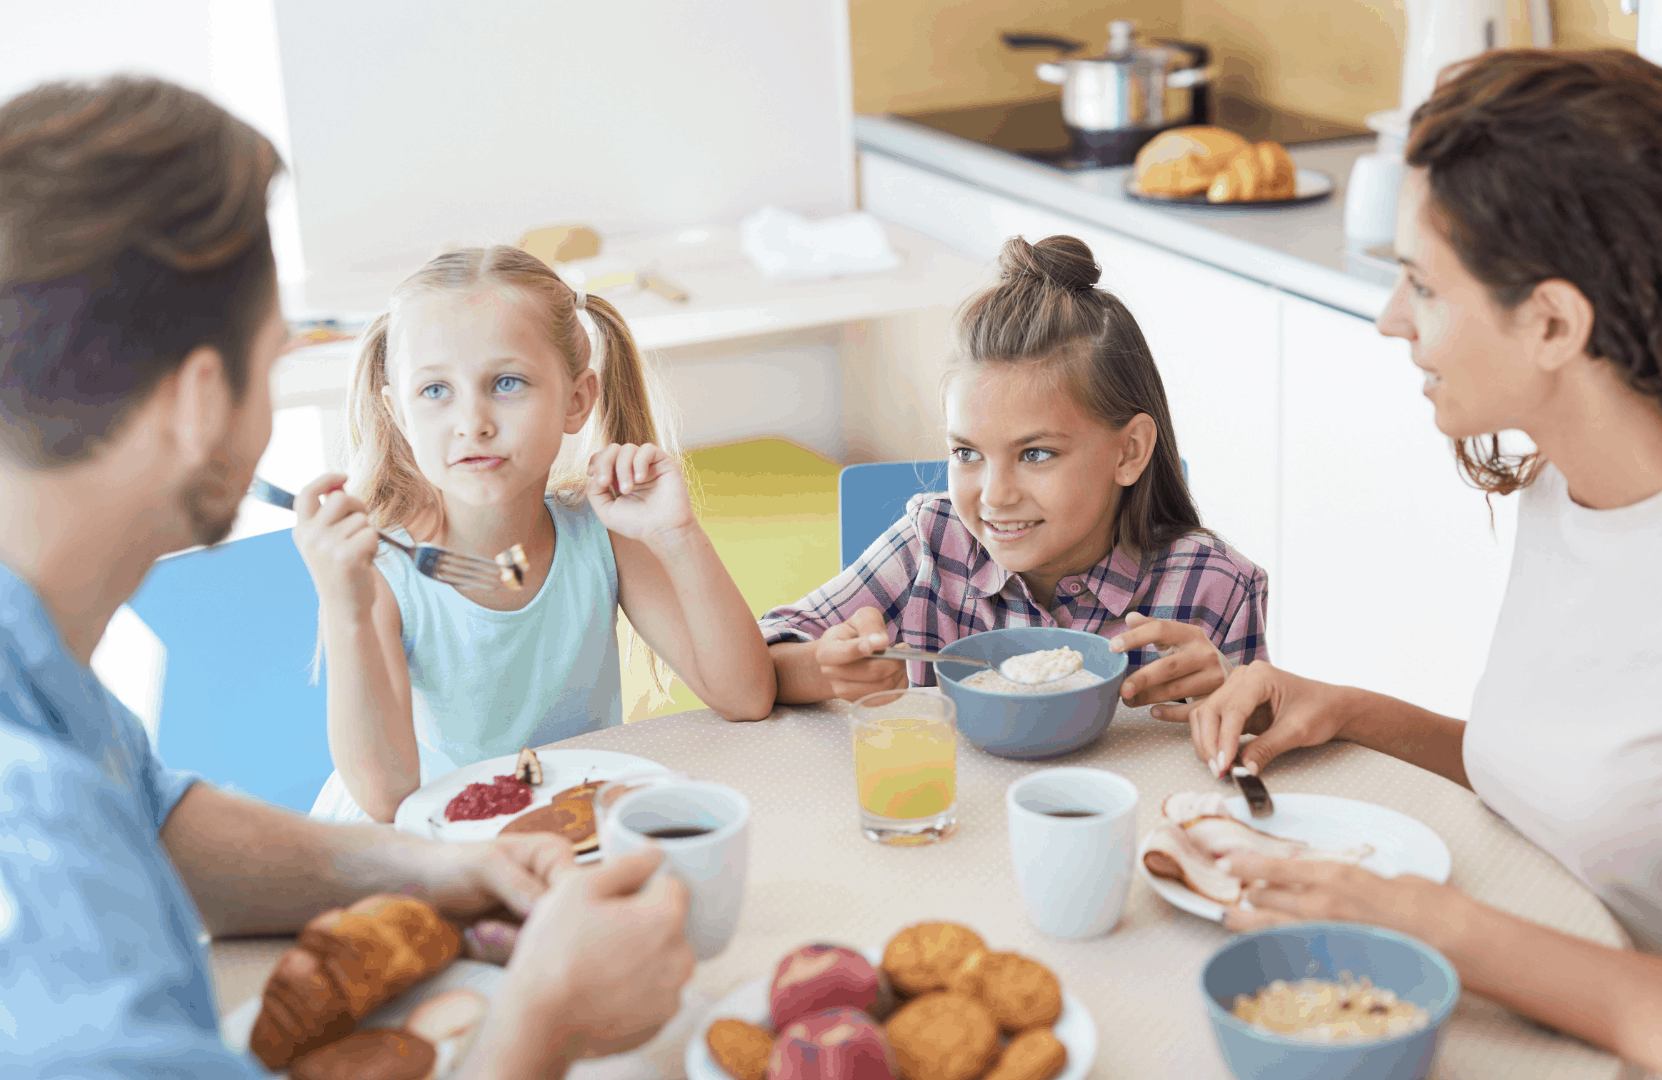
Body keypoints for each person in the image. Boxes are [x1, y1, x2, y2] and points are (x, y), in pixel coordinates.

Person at [1182, 50, 1662, 1079]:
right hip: (1534, 1035)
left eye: (1423, 284)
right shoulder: (1560, 490)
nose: (1393, 318)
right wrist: (1351, 712)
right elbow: (1584, 780)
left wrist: (1447, 932)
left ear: (1555, 323)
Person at [0, 76, 695, 1078]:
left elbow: (155, 814)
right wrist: (546, 1013)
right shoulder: (35, 852)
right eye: (273, 357)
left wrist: (442, 869)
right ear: (204, 399)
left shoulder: (37, 669)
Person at [299, 246, 776, 822]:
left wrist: (677, 534)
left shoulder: (603, 534)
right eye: (434, 391)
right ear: (399, 415)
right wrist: (343, 606)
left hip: (563, 827)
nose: (472, 420)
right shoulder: (381, 573)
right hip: (419, 846)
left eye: (506, 382)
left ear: (576, 401)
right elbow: (388, 799)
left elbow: (746, 697)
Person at [762, 235, 1269, 712]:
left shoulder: (1214, 587)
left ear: (1129, 451)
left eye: (1035, 454)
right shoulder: (933, 545)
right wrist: (826, 670)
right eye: (966, 453)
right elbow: (764, 658)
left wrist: (1227, 693)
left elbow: (1256, 756)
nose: (995, 496)